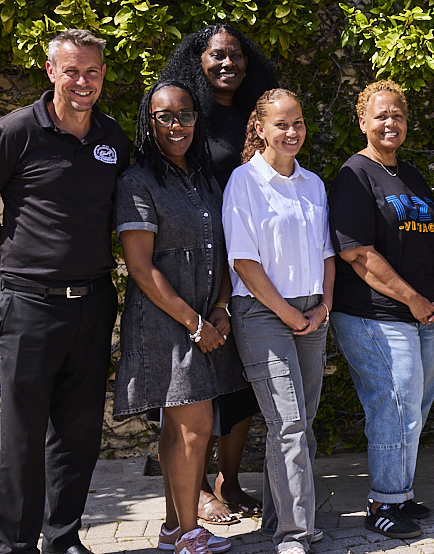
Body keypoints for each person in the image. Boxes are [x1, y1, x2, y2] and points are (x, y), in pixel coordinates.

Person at [0, 29, 130, 554]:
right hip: (30, 306)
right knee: (24, 439)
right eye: (71, 70)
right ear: (51, 72)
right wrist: (11, 255)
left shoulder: (112, 137)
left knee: (78, 434)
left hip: (94, 302)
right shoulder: (15, 131)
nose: (82, 81)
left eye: (92, 72)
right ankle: (15, 546)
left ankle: (63, 536)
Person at [113, 81, 245, 554]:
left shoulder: (206, 179)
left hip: (207, 317)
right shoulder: (137, 181)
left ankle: (176, 526)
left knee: (183, 427)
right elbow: (141, 267)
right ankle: (188, 533)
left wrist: (221, 309)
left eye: (186, 115)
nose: (177, 125)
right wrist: (194, 323)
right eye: (165, 116)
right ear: (149, 123)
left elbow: (229, 252)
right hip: (166, 321)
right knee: (193, 427)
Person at [157, 22, 279, 522]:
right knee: (195, 382)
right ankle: (198, 486)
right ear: (197, 61)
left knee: (243, 380)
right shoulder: (189, 118)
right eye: (216, 56)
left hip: (250, 262)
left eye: (236, 55)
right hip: (195, 264)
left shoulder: (255, 118)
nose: (227, 63)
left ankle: (231, 481)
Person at [329, 80, 434, 540]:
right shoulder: (354, 176)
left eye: (397, 115)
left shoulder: (412, 176)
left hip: (424, 311)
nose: (390, 123)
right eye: (380, 115)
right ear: (362, 121)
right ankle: (383, 502)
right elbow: (357, 253)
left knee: (414, 407)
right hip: (373, 312)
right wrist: (413, 299)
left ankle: (399, 491)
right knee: (395, 402)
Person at [223, 89, 333, 554]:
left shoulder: (314, 184)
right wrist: (288, 313)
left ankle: (281, 518)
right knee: (286, 422)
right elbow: (244, 261)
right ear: (260, 128)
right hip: (263, 312)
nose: (292, 132)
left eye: (299, 123)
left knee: (301, 423)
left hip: (312, 309)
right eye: (281, 124)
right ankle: (295, 534)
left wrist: (323, 307)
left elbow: (329, 253)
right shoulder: (243, 182)